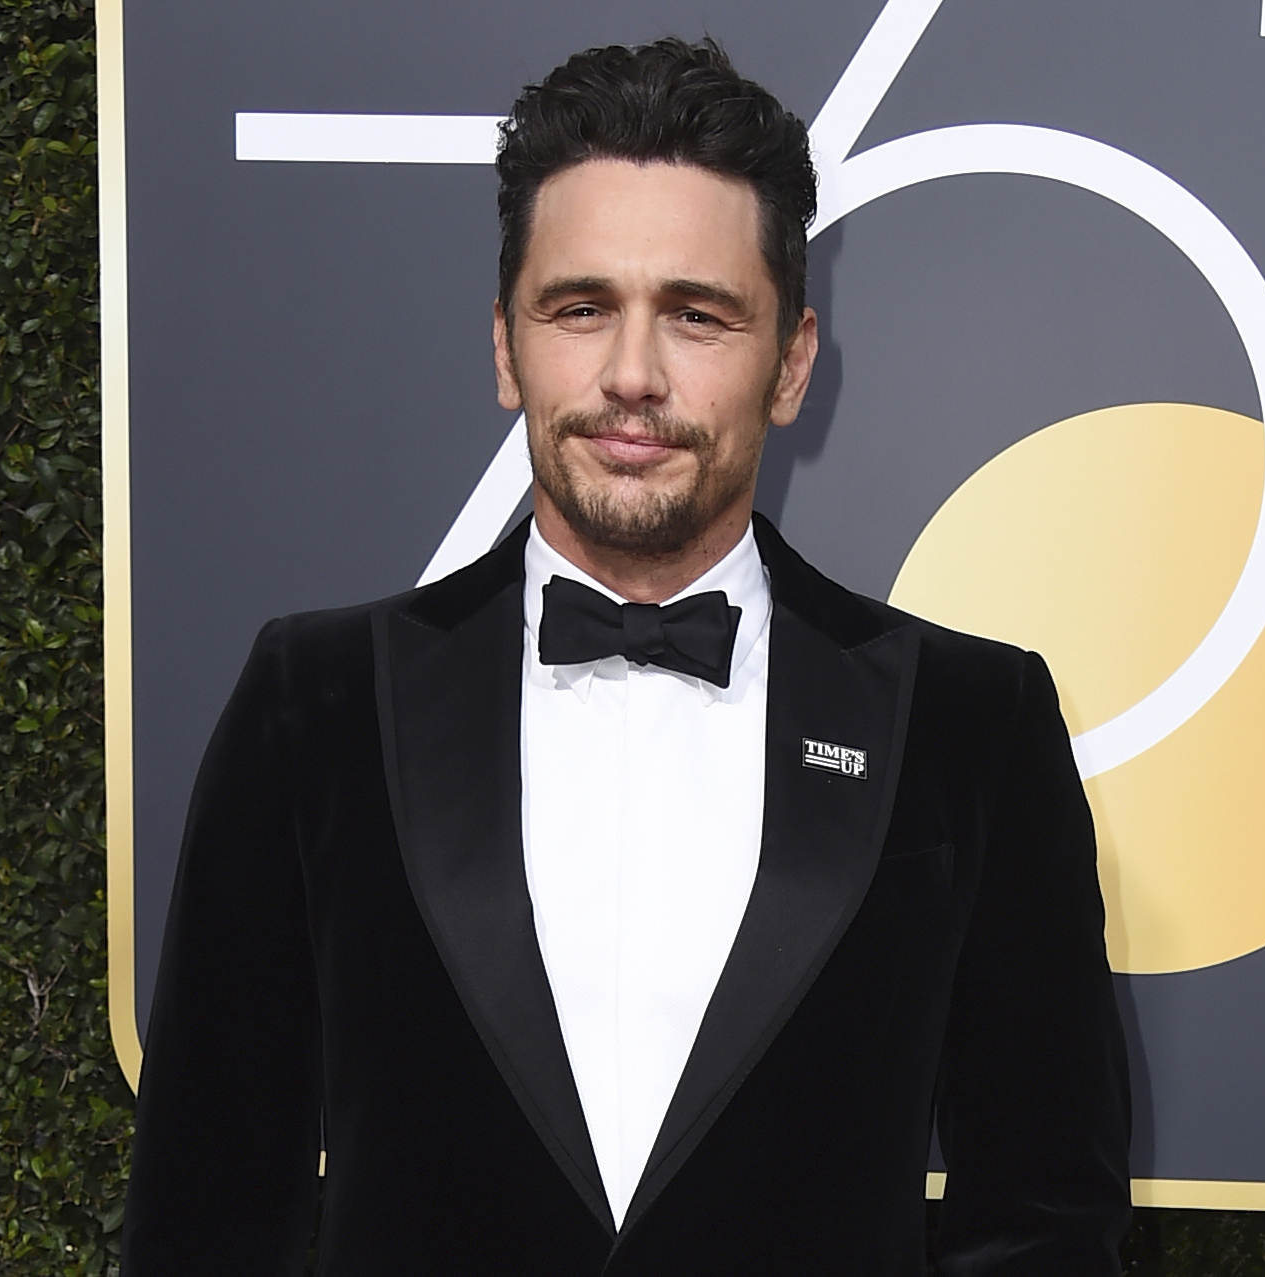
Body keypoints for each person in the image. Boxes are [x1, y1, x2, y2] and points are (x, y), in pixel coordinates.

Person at [122, 36, 1131, 1276]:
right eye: (580, 307)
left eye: (697, 315)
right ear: (506, 346)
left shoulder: (971, 721)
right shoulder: (316, 698)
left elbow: (1039, 1220)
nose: (632, 375)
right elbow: (209, 1201)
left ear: (792, 362)